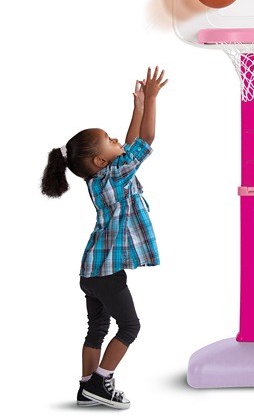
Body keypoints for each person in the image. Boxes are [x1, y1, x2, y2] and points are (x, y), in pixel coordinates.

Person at [41, 66, 168, 409]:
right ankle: (101, 381)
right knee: (129, 327)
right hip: (108, 273)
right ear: (100, 159)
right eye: (110, 140)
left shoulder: (99, 176)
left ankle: (85, 388)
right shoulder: (117, 175)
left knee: (96, 328)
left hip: (90, 272)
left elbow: (129, 146)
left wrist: (137, 107)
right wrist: (152, 100)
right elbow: (144, 141)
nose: (117, 142)